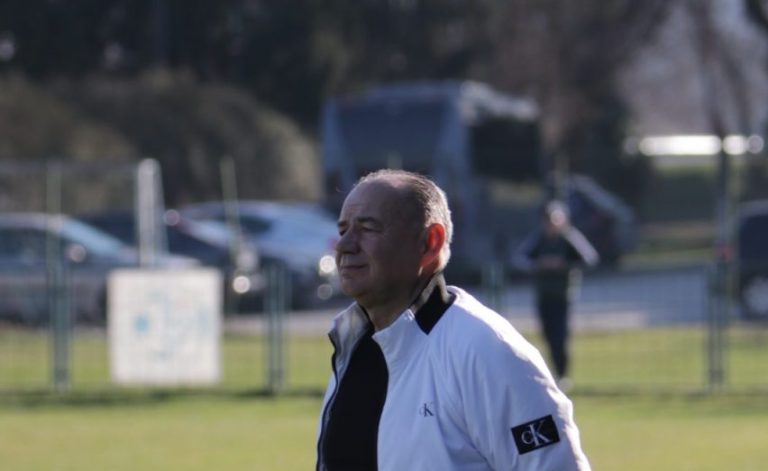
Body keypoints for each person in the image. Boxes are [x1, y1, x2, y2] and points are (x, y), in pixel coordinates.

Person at [316, 169, 591, 471]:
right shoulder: (354, 348)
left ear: (430, 242)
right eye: (343, 230)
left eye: (368, 228)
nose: (344, 245)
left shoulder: (485, 350)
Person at [513, 200, 599, 390]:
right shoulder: (538, 238)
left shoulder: (569, 238)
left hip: (562, 295)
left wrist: (563, 264)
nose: (551, 225)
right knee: (548, 336)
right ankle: (555, 374)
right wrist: (540, 264)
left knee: (561, 336)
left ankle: (563, 375)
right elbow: (520, 259)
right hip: (544, 295)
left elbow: (589, 259)